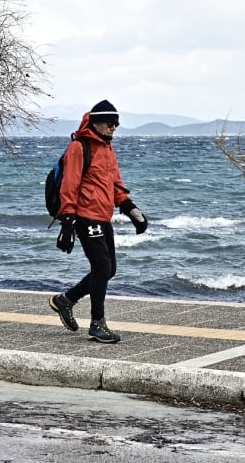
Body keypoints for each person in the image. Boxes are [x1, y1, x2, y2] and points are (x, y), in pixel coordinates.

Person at [48, 99, 148, 343]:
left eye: (117, 124)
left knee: (109, 269)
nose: (114, 127)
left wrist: (130, 208)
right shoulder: (79, 147)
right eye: (110, 123)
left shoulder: (107, 148)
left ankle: (66, 300)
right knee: (102, 267)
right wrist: (67, 222)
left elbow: (115, 184)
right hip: (84, 216)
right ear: (96, 123)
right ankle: (97, 324)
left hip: (103, 215)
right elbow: (69, 185)